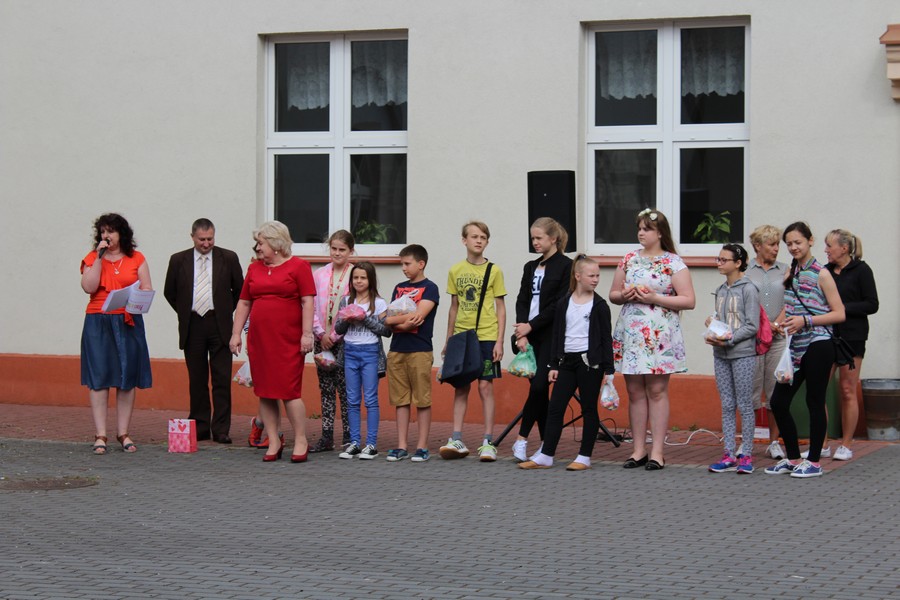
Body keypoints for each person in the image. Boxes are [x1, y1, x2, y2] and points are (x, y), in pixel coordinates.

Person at [609, 208, 695, 471]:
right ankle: (638, 450)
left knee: (656, 391)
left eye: (647, 229)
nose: (641, 233)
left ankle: (657, 451)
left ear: (659, 233)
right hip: (633, 332)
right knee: (635, 391)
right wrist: (625, 295)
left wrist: (654, 298)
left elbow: (688, 300)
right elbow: (613, 294)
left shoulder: (673, 262)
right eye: (639, 228)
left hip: (659, 334)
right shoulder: (628, 259)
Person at [228, 221, 316, 463]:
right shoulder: (254, 268)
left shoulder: (299, 266)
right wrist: (236, 334)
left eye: (261, 243)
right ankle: (273, 440)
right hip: (260, 339)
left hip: (288, 340)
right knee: (265, 391)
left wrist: (307, 334)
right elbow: (244, 302)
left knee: (289, 390)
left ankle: (300, 439)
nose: (257, 247)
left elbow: (307, 301)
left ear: (276, 244)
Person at [765, 222, 845, 478]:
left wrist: (805, 321)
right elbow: (791, 307)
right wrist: (780, 324)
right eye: (789, 243)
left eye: (798, 242)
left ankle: (814, 461)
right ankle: (792, 458)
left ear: (810, 241)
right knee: (778, 402)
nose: (793, 247)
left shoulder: (822, 273)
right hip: (794, 347)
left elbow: (839, 313)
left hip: (819, 343)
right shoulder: (792, 272)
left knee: (814, 401)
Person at [518, 255, 614, 471]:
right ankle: (546, 454)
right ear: (577, 276)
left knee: (589, 409)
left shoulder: (599, 305)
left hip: (589, 363)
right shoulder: (564, 303)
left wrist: (609, 369)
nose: (596, 279)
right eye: (591, 275)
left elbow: (606, 339)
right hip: (566, 362)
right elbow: (557, 336)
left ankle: (584, 456)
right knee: (555, 408)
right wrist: (553, 364)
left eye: (598, 276)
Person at [163, 219, 243, 444]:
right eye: (202, 239)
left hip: (220, 324)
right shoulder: (178, 260)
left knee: (222, 378)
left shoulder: (228, 258)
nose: (206, 243)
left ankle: (221, 428)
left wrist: (225, 310)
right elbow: (170, 292)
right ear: (192, 237)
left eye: (210, 239)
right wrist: (185, 312)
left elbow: (240, 290)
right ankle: (199, 425)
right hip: (193, 325)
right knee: (197, 378)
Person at [80, 213, 152, 454]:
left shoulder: (137, 258)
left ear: (122, 234)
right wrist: (99, 258)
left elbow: (147, 289)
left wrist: (136, 298)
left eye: (110, 231)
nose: (106, 235)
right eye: (102, 231)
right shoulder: (93, 257)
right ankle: (100, 434)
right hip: (98, 321)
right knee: (99, 377)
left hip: (128, 320)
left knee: (126, 377)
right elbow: (89, 287)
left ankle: (123, 433)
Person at [440, 221, 507, 462]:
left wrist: (499, 341)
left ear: (487, 242)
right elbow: (453, 307)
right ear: (464, 240)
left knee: (485, 386)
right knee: (461, 386)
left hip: (487, 337)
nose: (479, 241)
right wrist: (448, 340)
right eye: (474, 236)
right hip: (462, 337)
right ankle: (456, 438)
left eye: (483, 237)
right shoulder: (455, 270)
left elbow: (501, 308)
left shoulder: (494, 271)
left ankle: (488, 442)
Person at [511, 218, 573, 462]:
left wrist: (531, 326)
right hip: (528, 336)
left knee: (539, 387)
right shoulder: (530, 267)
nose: (534, 242)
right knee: (539, 392)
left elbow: (558, 304)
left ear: (553, 238)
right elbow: (522, 299)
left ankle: (522, 439)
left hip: (550, 335)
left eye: (539, 238)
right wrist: (522, 332)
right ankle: (546, 447)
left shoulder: (566, 266)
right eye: (532, 238)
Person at [822, 229, 878, 461]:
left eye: (829, 246)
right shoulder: (824, 272)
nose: (826, 250)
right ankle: (822, 443)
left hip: (853, 337)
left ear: (844, 248)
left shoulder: (862, 270)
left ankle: (845, 445)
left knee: (847, 390)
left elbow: (872, 304)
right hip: (825, 335)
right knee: (819, 390)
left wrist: (842, 309)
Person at [705, 244, 760, 474]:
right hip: (720, 354)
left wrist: (729, 339)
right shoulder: (720, 290)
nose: (719, 263)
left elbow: (752, 325)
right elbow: (722, 320)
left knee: (745, 404)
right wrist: (712, 326)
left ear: (738, 263)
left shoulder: (749, 289)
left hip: (743, 354)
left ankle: (746, 454)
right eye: (718, 259)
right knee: (727, 404)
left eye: (724, 260)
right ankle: (728, 454)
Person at [384, 245, 440, 462]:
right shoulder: (399, 288)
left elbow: (418, 316)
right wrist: (395, 321)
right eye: (402, 264)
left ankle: (422, 447)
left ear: (421, 264)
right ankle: (401, 446)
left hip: (420, 350)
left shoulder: (430, 288)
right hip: (397, 350)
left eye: (407, 264)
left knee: (422, 400)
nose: (403, 268)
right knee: (401, 400)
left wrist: (391, 320)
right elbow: (390, 318)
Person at [333, 262, 391, 460]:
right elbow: (338, 330)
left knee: (371, 399)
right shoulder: (346, 300)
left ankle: (371, 444)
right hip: (350, 352)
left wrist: (364, 318)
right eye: (355, 277)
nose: (359, 281)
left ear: (370, 280)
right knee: (352, 400)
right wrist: (346, 319)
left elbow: (386, 331)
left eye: (363, 278)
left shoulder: (379, 303)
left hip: (370, 353)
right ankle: (355, 442)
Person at [745, 225, 789, 460]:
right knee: (750, 391)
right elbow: (742, 302)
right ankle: (747, 442)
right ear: (758, 246)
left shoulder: (785, 270)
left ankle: (774, 442)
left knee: (775, 392)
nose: (776, 248)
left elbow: (791, 300)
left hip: (778, 338)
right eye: (771, 244)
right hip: (753, 339)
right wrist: (763, 325)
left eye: (777, 244)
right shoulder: (746, 271)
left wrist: (777, 323)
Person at [309, 230, 355, 453]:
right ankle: (327, 435)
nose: (337, 253)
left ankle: (349, 435)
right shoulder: (319, 274)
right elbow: (310, 306)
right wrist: (320, 333)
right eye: (334, 248)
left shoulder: (355, 274)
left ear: (351, 251)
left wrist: (335, 335)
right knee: (326, 388)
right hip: (322, 339)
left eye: (342, 250)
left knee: (345, 389)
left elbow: (353, 309)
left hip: (344, 340)